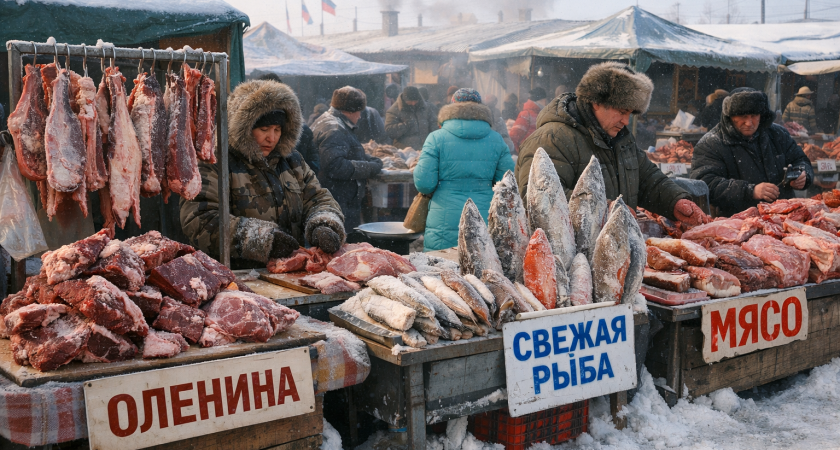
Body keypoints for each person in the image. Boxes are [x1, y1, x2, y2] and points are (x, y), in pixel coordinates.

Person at [516, 62, 707, 226]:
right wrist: (602, 208)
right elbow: (537, 196)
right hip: (569, 259)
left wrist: (675, 201)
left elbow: (647, 179)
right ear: (597, 102)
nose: (625, 121)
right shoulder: (552, 138)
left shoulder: (621, 138)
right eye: (622, 111)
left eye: (630, 113)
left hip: (612, 251)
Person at [181, 79, 345, 269]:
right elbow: (200, 219)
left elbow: (317, 198)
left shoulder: (292, 161)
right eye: (264, 129)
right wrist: (261, 239)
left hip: (289, 273)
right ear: (244, 128)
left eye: (277, 129)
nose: (272, 138)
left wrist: (324, 223)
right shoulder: (216, 162)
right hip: (238, 277)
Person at [414, 89, 514, 251]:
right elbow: (507, 183)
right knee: (480, 269)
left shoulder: (436, 138)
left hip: (444, 219)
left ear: (452, 108)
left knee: (441, 270)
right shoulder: (496, 139)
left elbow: (424, 183)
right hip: (483, 216)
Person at [691, 87, 813, 217]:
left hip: (783, 219)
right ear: (730, 116)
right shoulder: (711, 143)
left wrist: (801, 175)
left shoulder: (778, 134)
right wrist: (750, 191)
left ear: (762, 115)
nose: (749, 123)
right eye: (743, 117)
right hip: (736, 225)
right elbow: (705, 183)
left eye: (754, 116)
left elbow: (800, 160)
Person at [312, 86, 384, 232]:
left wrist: (368, 159)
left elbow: (347, 152)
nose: (360, 116)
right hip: (338, 200)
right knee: (341, 248)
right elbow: (335, 166)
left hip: (337, 199)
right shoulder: (335, 129)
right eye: (359, 111)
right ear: (351, 110)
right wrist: (370, 168)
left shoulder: (331, 121)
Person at [385, 85, 438, 150]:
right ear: (405, 100)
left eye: (415, 101)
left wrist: (435, 138)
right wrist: (405, 125)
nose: (413, 103)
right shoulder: (394, 110)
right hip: (404, 151)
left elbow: (433, 123)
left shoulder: (426, 108)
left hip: (424, 148)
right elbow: (389, 130)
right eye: (410, 101)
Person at [510, 87, 547, 152]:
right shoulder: (526, 114)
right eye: (544, 100)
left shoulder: (541, 114)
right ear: (541, 99)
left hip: (534, 154)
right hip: (528, 155)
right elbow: (514, 136)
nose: (545, 102)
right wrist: (520, 155)